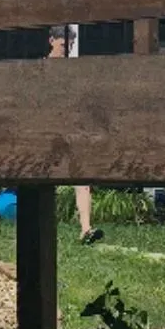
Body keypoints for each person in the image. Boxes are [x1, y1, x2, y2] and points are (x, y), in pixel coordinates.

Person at [49, 24, 103, 244]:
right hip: (47, 129)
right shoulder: (42, 68)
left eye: (70, 45)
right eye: (63, 45)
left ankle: (86, 229)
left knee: (81, 179)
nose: (67, 50)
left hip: (71, 129)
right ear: (51, 41)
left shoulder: (75, 69)